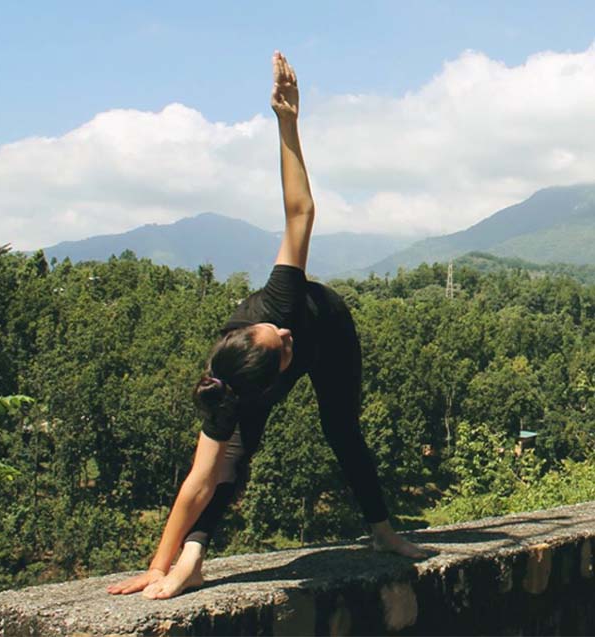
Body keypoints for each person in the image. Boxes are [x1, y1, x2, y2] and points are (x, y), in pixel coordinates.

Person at [108, 51, 426, 600]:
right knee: (235, 461)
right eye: (279, 345)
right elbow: (199, 482)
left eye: (274, 333)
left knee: (341, 430)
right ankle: (193, 561)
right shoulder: (231, 398)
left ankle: (383, 533)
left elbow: (300, 212)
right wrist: (161, 565)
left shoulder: (276, 307)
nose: (282, 335)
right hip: (255, 392)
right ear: (266, 384)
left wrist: (286, 121)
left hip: (332, 327)